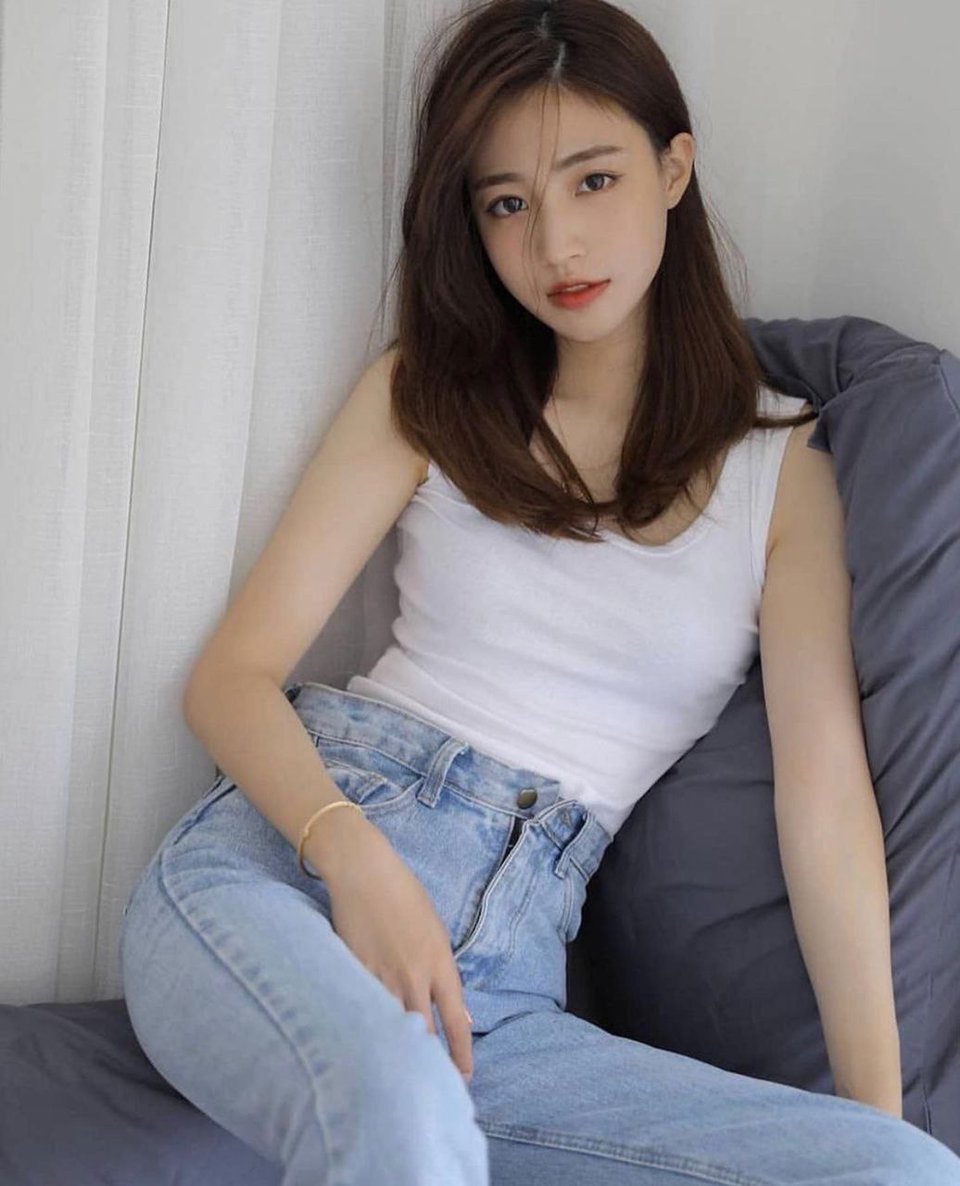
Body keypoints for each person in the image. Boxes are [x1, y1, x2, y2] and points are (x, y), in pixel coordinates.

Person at [119, 1, 960, 1183]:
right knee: (403, 1111)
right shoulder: (427, 393)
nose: (556, 244)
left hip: (504, 988)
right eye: (507, 203)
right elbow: (230, 678)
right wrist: (354, 857)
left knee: (907, 1174)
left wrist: (875, 1123)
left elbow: (824, 814)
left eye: (593, 179)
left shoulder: (784, 474)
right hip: (282, 875)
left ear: (675, 169)